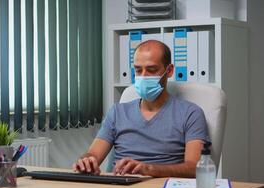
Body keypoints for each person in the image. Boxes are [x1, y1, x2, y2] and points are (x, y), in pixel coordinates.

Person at [72, 40, 210, 178]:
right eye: (138, 70)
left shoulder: (190, 114)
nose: (143, 76)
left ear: (169, 71)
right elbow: (93, 154)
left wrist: (150, 169)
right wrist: (86, 161)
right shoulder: (117, 112)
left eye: (151, 70)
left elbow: (195, 168)